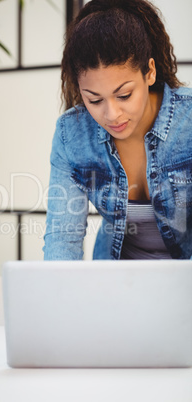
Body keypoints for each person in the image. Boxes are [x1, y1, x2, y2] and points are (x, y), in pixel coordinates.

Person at [43, 0, 192, 260]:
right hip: (115, 283)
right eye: (95, 100)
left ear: (150, 72)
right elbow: (62, 238)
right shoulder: (72, 134)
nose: (112, 115)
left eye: (124, 95)